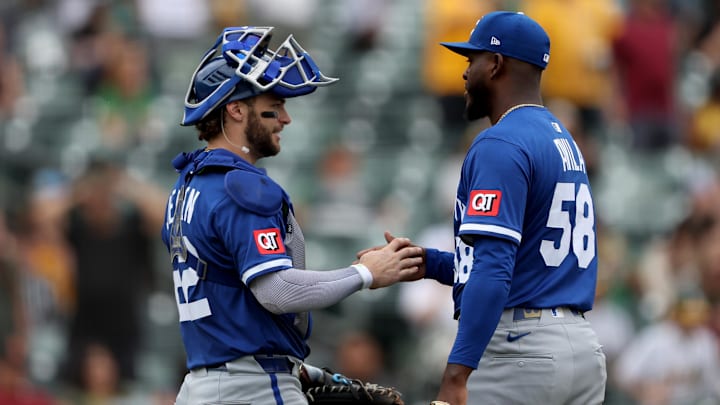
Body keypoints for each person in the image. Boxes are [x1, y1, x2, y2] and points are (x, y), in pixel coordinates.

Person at [160, 26, 422, 405]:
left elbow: (231, 299)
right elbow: (276, 291)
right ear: (235, 108)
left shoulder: (187, 185)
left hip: (204, 385)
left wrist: (298, 369)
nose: (285, 118)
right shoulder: (242, 186)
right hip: (251, 389)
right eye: (274, 103)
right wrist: (366, 273)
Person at [389, 11, 607, 404]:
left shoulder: (500, 142)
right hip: (581, 349)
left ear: (496, 64)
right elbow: (531, 260)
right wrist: (431, 263)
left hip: (521, 351)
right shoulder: (561, 138)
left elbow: (494, 268)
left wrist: (457, 373)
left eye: (471, 60)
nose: (464, 73)